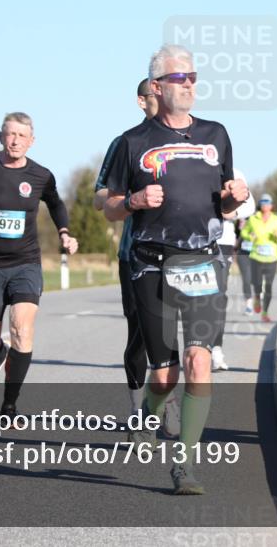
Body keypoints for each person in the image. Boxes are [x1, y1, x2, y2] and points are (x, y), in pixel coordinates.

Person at [102, 44, 249, 494]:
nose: (188, 85)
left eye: (192, 77)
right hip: (150, 263)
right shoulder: (132, 142)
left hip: (203, 260)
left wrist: (235, 198)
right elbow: (104, 206)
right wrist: (132, 201)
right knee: (164, 374)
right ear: (156, 87)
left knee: (198, 362)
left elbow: (222, 203)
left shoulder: (216, 134)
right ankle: (147, 414)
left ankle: (184, 465)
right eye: (178, 78)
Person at [0, 113, 78, 418]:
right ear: (0, 136)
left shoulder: (41, 175)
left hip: (25, 264)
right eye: (10, 134)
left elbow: (57, 204)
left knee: (22, 328)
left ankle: (9, 404)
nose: (15, 141)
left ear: (31, 141)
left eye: (22, 136)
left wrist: (64, 233)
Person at [94, 79, 178, 428]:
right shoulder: (126, 142)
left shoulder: (187, 140)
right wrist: (132, 202)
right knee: (141, 331)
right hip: (136, 253)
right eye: (154, 95)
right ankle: (137, 405)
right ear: (141, 101)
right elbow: (101, 197)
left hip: (181, 250)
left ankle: (167, 401)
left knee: (173, 330)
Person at [213, 167, 255, 370]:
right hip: (189, 242)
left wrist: (233, 211)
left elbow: (250, 204)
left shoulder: (234, 172)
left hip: (222, 242)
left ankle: (216, 348)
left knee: (218, 296)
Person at [242, 194, 277, 323]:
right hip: (256, 256)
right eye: (263, 203)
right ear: (260, 205)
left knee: (268, 286)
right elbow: (243, 232)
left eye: (268, 203)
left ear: (271, 205)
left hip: (271, 258)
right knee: (256, 283)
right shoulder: (253, 219)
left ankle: (265, 312)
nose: (265, 205)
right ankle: (257, 296)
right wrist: (250, 236)